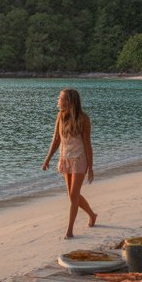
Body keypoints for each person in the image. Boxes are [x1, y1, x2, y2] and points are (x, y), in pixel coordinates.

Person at [42, 88, 97, 239]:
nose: (57, 100)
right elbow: (56, 140)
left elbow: (87, 144)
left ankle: (70, 231)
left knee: (73, 195)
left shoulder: (83, 118)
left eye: (60, 98)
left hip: (79, 159)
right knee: (72, 195)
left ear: (69, 101)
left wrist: (90, 167)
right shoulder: (60, 116)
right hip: (65, 158)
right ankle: (92, 214)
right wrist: (47, 159)